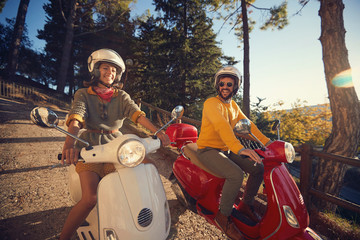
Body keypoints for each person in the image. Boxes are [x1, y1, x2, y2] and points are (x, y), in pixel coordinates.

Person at [59, 48, 170, 240]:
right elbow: (77, 115)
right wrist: (70, 142)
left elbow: (137, 114)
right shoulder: (83, 94)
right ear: (95, 70)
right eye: (105, 68)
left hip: (116, 146)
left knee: (147, 167)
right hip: (89, 146)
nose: (109, 73)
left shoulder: (121, 96)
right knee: (89, 198)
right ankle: (63, 237)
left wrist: (158, 132)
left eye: (113, 70)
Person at [196, 66, 272, 240]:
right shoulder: (211, 103)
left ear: (235, 87)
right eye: (221, 83)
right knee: (236, 174)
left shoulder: (233, 105)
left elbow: (248, 125)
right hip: (207, 149)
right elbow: (222, 127)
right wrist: (240, 148)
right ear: (217, 85)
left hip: (226, 150)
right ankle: (223, 216)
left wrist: (268, 142)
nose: (225, 86)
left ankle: (246, 204)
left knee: (257, 168)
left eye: (229, 84)